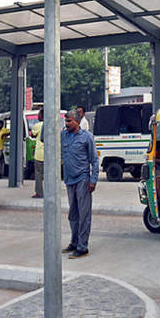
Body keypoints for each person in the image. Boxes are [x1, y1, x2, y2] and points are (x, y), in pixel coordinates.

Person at [61, 110, 98, 259]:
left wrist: (93, 180)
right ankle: (74, 242)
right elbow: (46, 138)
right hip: (69, 180)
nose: (66, 124)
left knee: (84, 215)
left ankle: (83, 247)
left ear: (77, 121)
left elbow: (94, 160)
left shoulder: (87, 137)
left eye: (69, 121)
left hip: (82, 179)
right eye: (65, 121)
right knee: (73, 214)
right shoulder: (63, 135)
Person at [30, 109, 44, 199]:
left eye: (39, 115)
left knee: (38, 174)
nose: (37, 116)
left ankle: (39, 193)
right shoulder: (52, 124)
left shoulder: (37, 125)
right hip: (50, 154)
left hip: (39, 153)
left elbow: (32, 135)